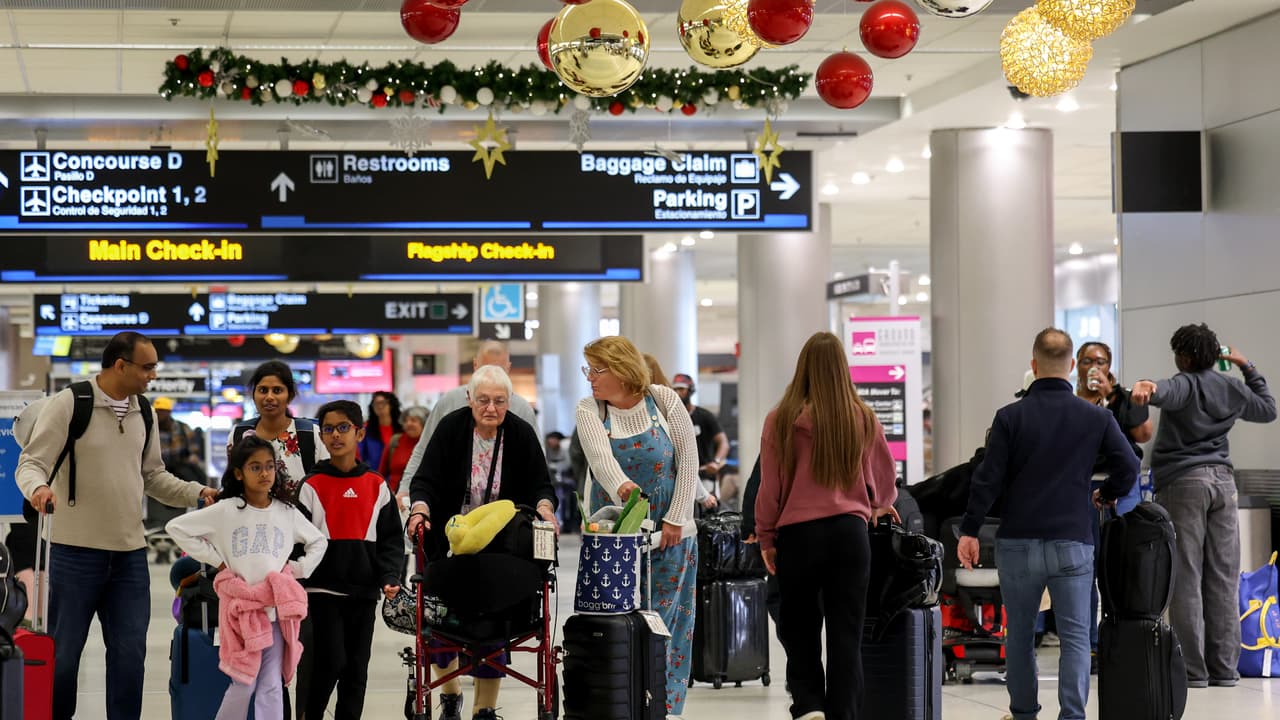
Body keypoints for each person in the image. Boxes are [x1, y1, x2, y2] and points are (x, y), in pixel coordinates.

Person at [14, 331, 219, 720]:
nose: (153, 375)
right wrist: (38, 489)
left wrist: (198, 493)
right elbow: (31, 462)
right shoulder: (71, 403)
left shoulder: (144, 410)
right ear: (120, 365)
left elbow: (154, 476)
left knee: (129, 657)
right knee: (64, 656)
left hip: (129, 555)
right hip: (73, 552)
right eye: (147, 367)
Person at [958, 328, 1139, 720]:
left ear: (1033, 365)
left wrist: (970, 530)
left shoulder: (1009, 418)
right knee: (1075, 638)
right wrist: (1108, 494)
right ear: (1072, 366)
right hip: (1072, 541)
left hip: (1017, 545)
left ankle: (1023, 713)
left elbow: (986, 480)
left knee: (1021, 636)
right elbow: (1130, 464)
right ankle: (1072, 715)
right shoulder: (1096, 417)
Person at [755, 331, 900, 720]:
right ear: (842, 369)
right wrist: (878, 505)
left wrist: (766, 537)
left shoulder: (780, 419)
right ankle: (844, 713)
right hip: (850, 537)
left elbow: (771, 488)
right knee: (846, 634)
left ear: (802, 368)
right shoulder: (863, 418)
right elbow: (885, 483)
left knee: (799, 628)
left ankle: (809, 706)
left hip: (799, 537)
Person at [405, 365, 558, 720]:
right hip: (450, 542)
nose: (491, 408)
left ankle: (485, 709)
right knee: (442, 615)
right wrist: (420, 510)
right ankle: (450, 693)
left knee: (497, 609)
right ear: (470, 398)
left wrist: (545, 509)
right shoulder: (451, 429)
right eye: (484, 399)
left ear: (509, 403)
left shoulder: (520, 434)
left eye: (500, 401)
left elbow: (541, 485)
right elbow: (424, 480)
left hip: (504, 547)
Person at [1129, 323, 1276, 688]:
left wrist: (1148, 387)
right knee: (1224, 578)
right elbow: (1268, 409)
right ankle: (1225, 669)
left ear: (1184, 357)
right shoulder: (1231, 387)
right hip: (1224, 486)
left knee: (1187, 578)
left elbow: (1166, 391)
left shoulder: (1185, 382)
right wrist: (1247, 365)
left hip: (1184, 485)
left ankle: (1194, 671)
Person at [574, 336, 698, 717]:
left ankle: (662, 708)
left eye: (597, 370)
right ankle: (621, 705)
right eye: (588, 369)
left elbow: (688, 461)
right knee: (616, 623)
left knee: (667, 624)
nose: (590, 378)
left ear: (622, 370)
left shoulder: (663, 400)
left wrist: (676, 517)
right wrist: (624, 491)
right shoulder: (589, 409)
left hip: (671, 533)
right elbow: (601, 460)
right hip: (615, 536)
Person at [165, 435, 328, 720]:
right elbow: (176, 527)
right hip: (239, 612)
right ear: (239, 473)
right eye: (255, 467)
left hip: (276, 612)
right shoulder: (226, 511)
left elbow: (318, 542)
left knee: (271, 686)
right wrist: (218, 561)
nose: (264, 474)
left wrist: (295, 571)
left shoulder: (286, 512)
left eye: (269, 466)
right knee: (243, 682)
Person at [295, 400, 404, 720]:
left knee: (356, 670)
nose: (335, 435)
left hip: (363, 593)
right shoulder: (311, 485)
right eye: (328, 429)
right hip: (321, 593)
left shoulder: (376, 485)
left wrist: (390, 576)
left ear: (359, 432)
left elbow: (391, 541)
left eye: (343, 428)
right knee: (330, 663)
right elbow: (296, 542)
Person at [1074, 340, 1151, 667]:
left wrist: (1110, 397)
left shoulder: (1123, 397)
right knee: (1085, 565)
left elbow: (1143, 434)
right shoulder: (1070, 401)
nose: (1095, 366)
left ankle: (1120, 638)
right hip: (1081, 487)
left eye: (1101, 361)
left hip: (1121, 486)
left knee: (1121, 563)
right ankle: (1091, 644)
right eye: (1088, 360)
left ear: (1110, 365)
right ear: (1076, 364)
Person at [402, 341, 539, 482]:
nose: (492, 377)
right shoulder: (449, 402)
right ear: (475, 365)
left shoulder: (522, 409)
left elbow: (537, 460)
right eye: (485, 370)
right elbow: (424, 449)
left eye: (499, 371)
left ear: (508, 369)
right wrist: (406, 488)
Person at [231, 360, 328, 498]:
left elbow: (325, 488)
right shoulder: (239, 434)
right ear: (254, 395)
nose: (269, 397)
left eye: (277, 390)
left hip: (301, 518)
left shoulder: (311, 434)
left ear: (290, 395)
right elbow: (233, 483)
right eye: (263, 390)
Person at [672, 372, 730, 501]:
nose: (677, 392)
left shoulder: (704, 416)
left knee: (709, 515)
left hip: (704, 476)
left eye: (681, 389)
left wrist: (716, 462)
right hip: (681, 478)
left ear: (691, 390)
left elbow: (723, 442)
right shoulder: (671, 418)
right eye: (674, 389)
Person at [380, 405, 428, 499]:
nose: (408, 423)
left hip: (419, 498)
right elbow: (381, 473)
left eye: (413, 420)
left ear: (423, 424)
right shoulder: (395, 441)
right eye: (406, 421)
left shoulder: (428, 444)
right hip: (393, 497)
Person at [358, 391, 402, 469]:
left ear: (391, 405)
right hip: (374, 474)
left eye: (383, 403)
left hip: (397, 474)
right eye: (376, 404)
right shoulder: (365, 429)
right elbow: (359, 454)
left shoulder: (401, 427)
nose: (379, 406)